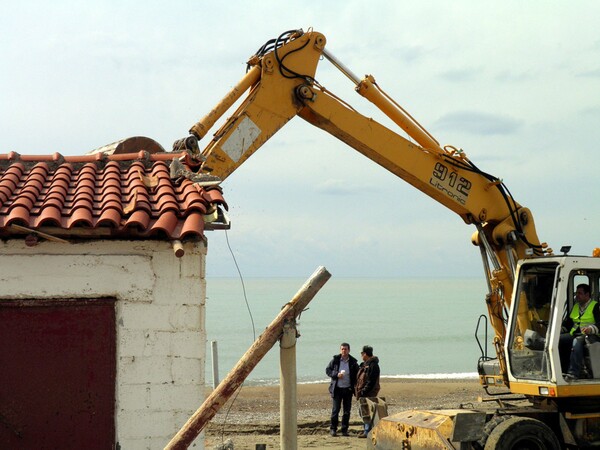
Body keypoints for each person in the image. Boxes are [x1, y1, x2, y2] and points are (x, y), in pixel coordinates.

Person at [559, 283, 600, 381]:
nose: (577, 295)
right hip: (574, 334)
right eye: (576, 293)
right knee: (558, 340)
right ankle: (561, 370)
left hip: (591, 335)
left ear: (587, 295)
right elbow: (568, 323)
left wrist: (590, 329)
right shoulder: (576, 306)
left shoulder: (595, 306)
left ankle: (573, 373)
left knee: (576, 342)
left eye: (580, 293)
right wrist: (560, 329)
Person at [325, 342, 359, 437]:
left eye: (346, 349)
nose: (344, 351)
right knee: (335, 410)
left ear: (349, 350)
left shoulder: (352, 362)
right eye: (342, 349)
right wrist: (336, 375)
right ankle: (333, 429)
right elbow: (328, 370)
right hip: (337, 389)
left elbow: (357, 374)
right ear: (340, 350)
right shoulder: (335, 360)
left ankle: (344, 430)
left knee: (347, 411)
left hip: (348, 389)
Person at [355, 345, 380, 438]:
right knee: (363, 411)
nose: (361, 355)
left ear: (365, 354)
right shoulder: (366, 364)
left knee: (367, 412)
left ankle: (367, 431)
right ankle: (367, 429)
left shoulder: (373, 365)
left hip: (368, 393)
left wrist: (363, 391)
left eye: (362, 353)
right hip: (362, 391)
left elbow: (371, 381)